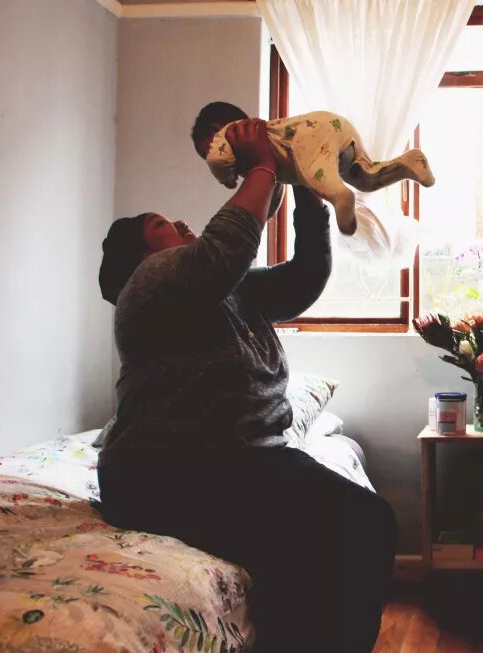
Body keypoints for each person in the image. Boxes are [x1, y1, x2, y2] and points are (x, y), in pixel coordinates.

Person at [97, 118, 396, 653]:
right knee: (349, 530)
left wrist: (306, 189)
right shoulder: (144, 288)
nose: (182, 222)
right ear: (143, 258)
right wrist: (260, 165)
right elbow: (222, 252)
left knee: (360, 524)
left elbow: (304, 278)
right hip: (166, 469)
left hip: (246, 461)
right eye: (163, 224)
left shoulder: (228, 290)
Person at [191, 101, 435, 236]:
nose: (211, 154)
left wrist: (227, 178)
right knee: (365, 176)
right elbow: (272, 187)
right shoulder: (268, 153)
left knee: (313, 172)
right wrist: (264, 212)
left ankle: (339, 195)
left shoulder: (229, 134)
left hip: (315, 132)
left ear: (216, 130)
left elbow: (217, 161)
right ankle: (406, 163)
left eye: (206, 150)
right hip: (336, 127)